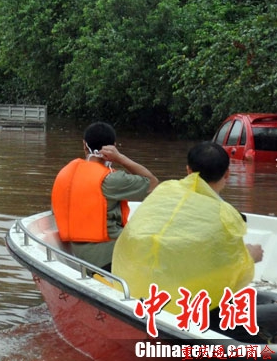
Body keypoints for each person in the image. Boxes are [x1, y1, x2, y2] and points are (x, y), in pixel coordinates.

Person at [112, 142, 270, 340]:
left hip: (141, 296)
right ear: (227, 174)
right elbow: (229, 271)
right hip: (192, 310)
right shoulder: (225, 215)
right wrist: (250, 256)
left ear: (188, 170)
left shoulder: (163, 192)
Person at [50, 121, 157, 270]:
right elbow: (152, 183)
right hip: (111, 256)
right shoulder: (112, 180)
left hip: (81, 255)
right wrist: (120, 158)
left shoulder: (65, 174)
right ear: (114, 146)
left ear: (84, 145)